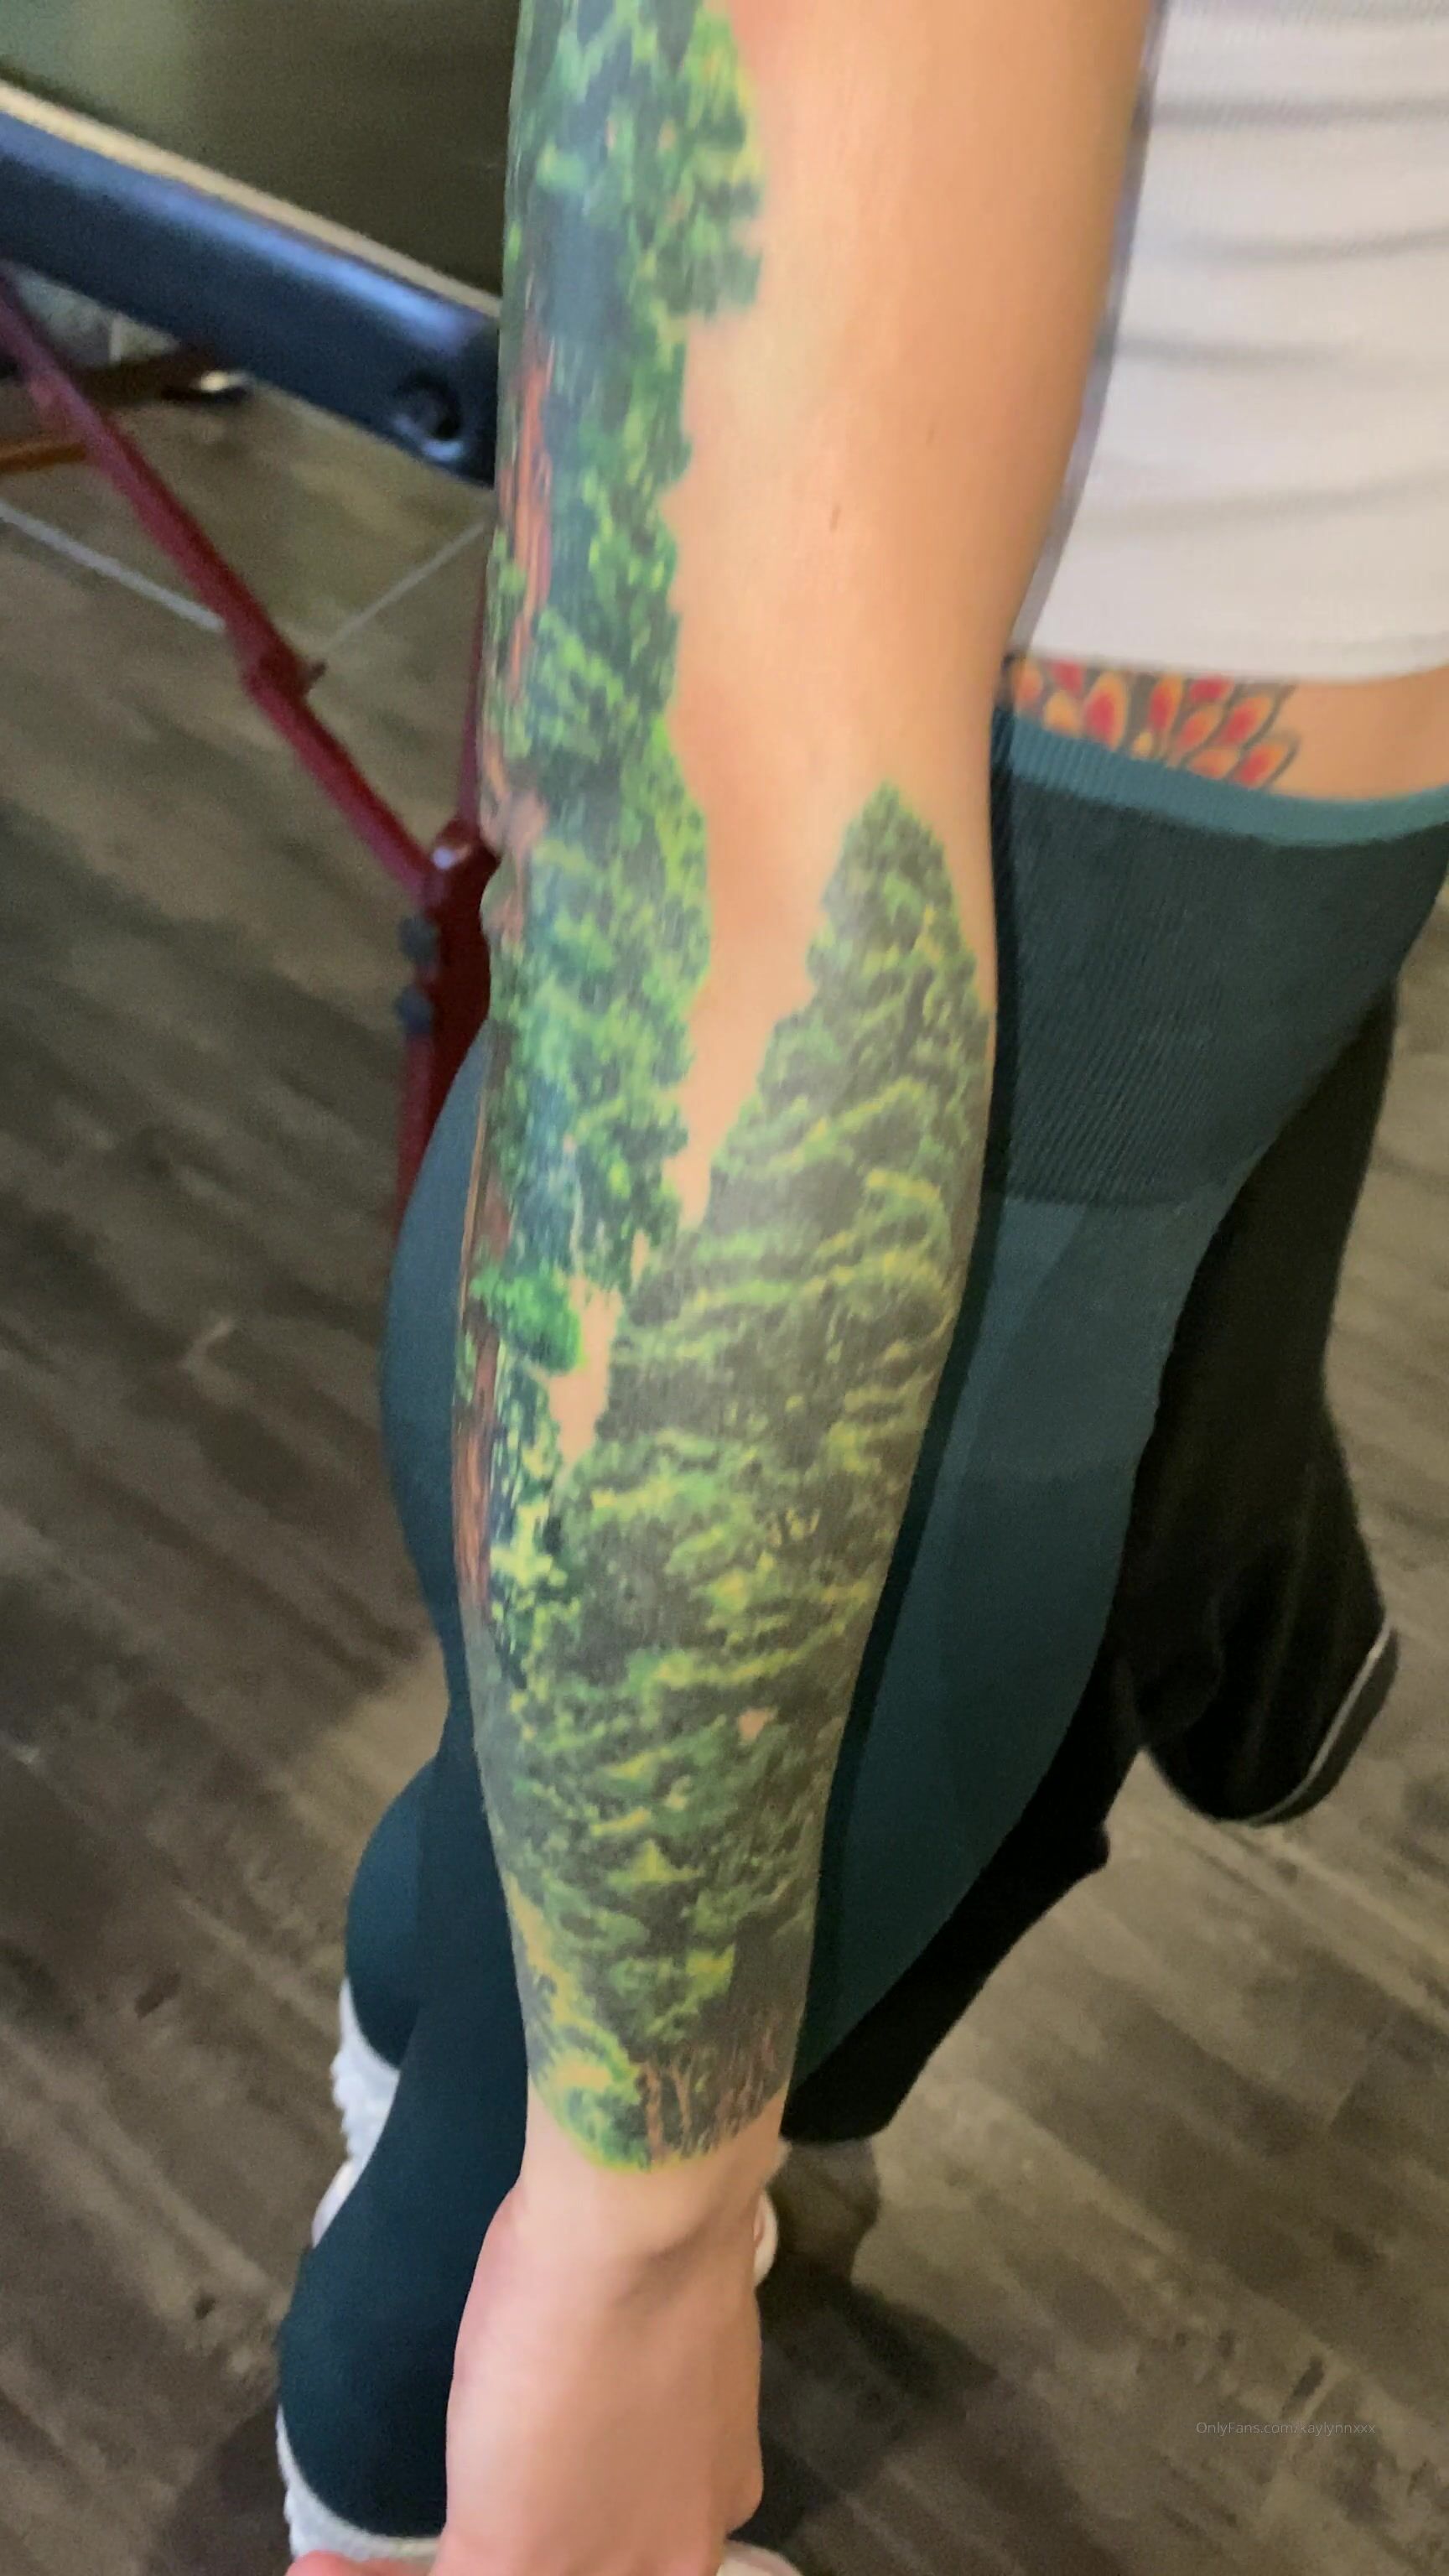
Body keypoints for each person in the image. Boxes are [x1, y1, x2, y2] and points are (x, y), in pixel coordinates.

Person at [279, 0, 1449, 2568]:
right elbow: (722, 884)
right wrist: (640, 2246)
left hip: (1136, 971)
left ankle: (439, 2082)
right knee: (515, 2220)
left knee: (489, 1949)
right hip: (919, 1105)